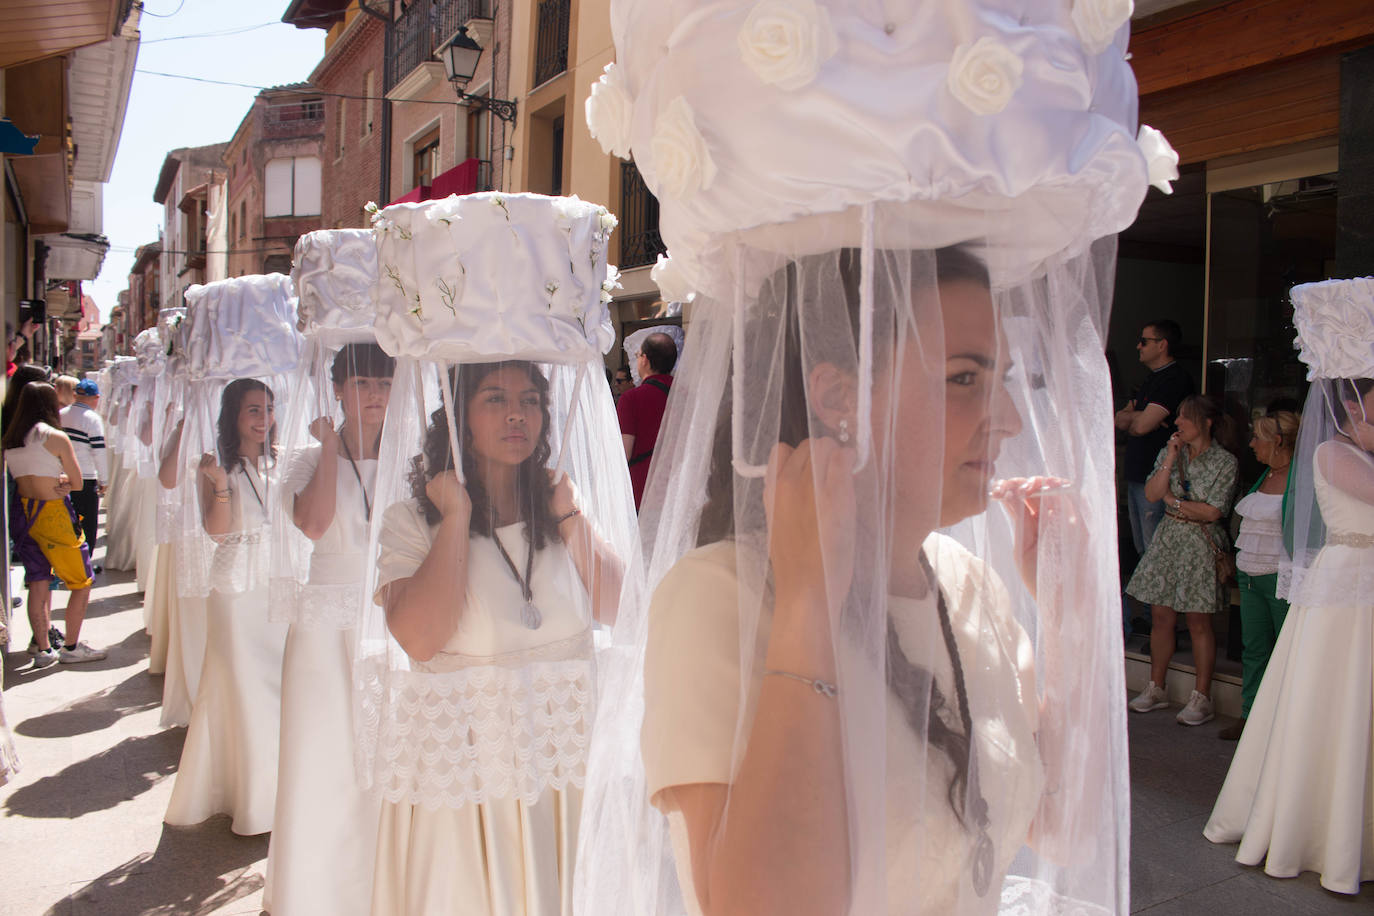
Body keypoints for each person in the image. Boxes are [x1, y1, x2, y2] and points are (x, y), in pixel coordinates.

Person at [369, 360, 622, 915]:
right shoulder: (412, 521)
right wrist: (456, 515)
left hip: (566, 770)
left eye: (531, 400)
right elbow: (419, 638)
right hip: (477, 781)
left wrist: (570, 515)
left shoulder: (561, 507)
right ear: (458, 417)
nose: (517, 414)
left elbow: (617, 606)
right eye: (495, 398)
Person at [265, 342, 394, 916]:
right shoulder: (307, 455)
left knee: (387, 752)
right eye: (361, 383)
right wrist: (330, 449)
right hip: (324, 623)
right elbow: (315, 525)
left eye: (384, 383)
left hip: (392, 612)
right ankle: (316, 891)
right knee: (324, 754)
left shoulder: (413, 453)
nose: (374, 395)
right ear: (338, 388)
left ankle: (384, 884)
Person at [164, 377, 288, 836]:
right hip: (236, 585)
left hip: (277, 583)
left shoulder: (285, 460)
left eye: (269, 409)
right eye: (253, 410)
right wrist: (218, 487)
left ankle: (280, 791)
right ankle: (246, 797)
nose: (263, 419)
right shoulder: (217, 466)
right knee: (240, 685)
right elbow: (216, 532)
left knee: (276, 686)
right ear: (233, 415)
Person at [1127, 394, 1239, 725]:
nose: (1178, 423)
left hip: (1200, 544)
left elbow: (1214, 510)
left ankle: (1201, 697)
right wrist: (1169, 459)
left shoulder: (1225, 462)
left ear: (1206, 422)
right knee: (1161, 616)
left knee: (1198, 620)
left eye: (1185, 417)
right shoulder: (1170, 452)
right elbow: (1151, 493)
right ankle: (1156, 687)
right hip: (1169, 539)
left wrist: (1172, 501)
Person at [1, 382, 105, 665]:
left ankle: (43, 649)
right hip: (54, 514)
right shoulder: (55, 437)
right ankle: (71, 647)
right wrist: (62, 482)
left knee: (38, 581)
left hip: (23, 513)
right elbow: (77, 481)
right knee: (81, 582)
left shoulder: (10, 440)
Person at [1221, 408, 1299, 740]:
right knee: (1253, 648)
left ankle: (1285, 721)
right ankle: (1249, 713)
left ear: (1277, 441)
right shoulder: (1264, 475)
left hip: (1281, 576)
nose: (1251, 443)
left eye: (1258, 437)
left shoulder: (1301, 477)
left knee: (1286, 652)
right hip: (1250, 574)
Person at [1115, 320, 1194, 558]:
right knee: (1141, 548)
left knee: (1154, 551)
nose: (1138, 346)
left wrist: (1136, 418)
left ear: (1162, 345)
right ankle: (1143, 596)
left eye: (1144, 341)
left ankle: (1153, 597)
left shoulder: (1174, 379)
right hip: (1137, 473)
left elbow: (1142, 426)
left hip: (1158, 473)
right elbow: (1120, 419)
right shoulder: (1149, 380)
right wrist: (1137, 417)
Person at [617, 332, 677, 508]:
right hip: (677, 492)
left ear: (644, 359)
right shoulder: (686, 396)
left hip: (641, 492)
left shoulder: (631, 398)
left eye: (637, 355)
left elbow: (623, 454)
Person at [60, 379, 108, 566]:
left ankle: (67, 561)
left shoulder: (61, 414)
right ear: (96, 398)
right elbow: (99, 451)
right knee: (87, 522)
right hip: (86, 476)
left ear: (75, 395)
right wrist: (104, 479)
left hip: (63, 475)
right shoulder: (92, 419)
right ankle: (84, 564)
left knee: (66, 520)